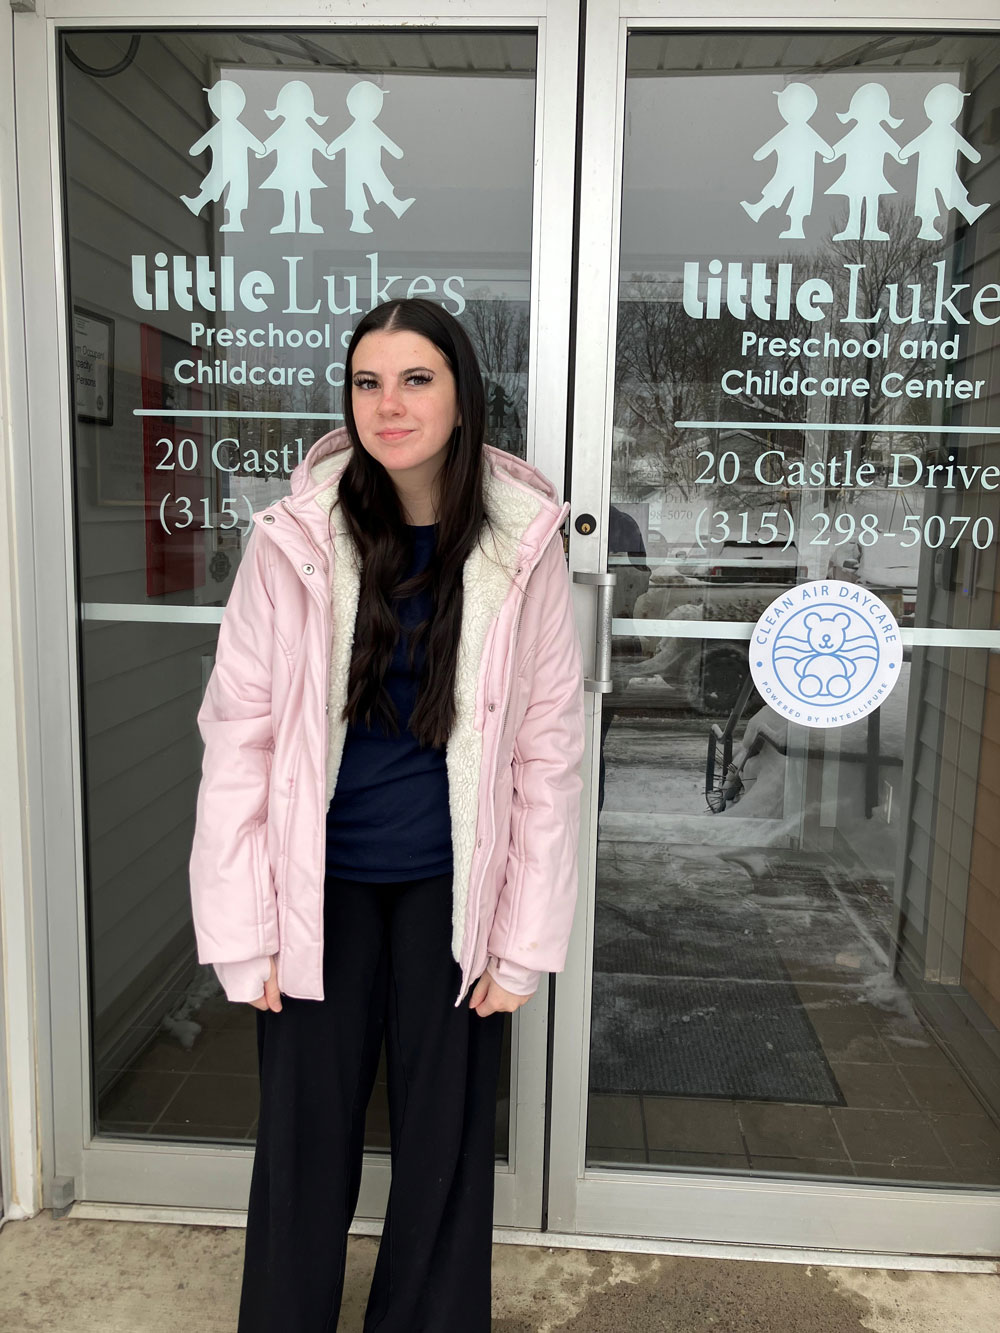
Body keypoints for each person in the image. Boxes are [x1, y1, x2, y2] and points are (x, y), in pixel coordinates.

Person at [187, 296, 585, 1333]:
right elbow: (239, 737)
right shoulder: (294, 538)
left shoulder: (520, 545)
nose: (389, 404)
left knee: (445, 1141)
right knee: (303, 1141)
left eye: (416, 379)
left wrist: (523, 937)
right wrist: (244, 925)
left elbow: (547, 753)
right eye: (368, 381)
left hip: (455, 883)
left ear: (461, 397)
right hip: (316, 879)